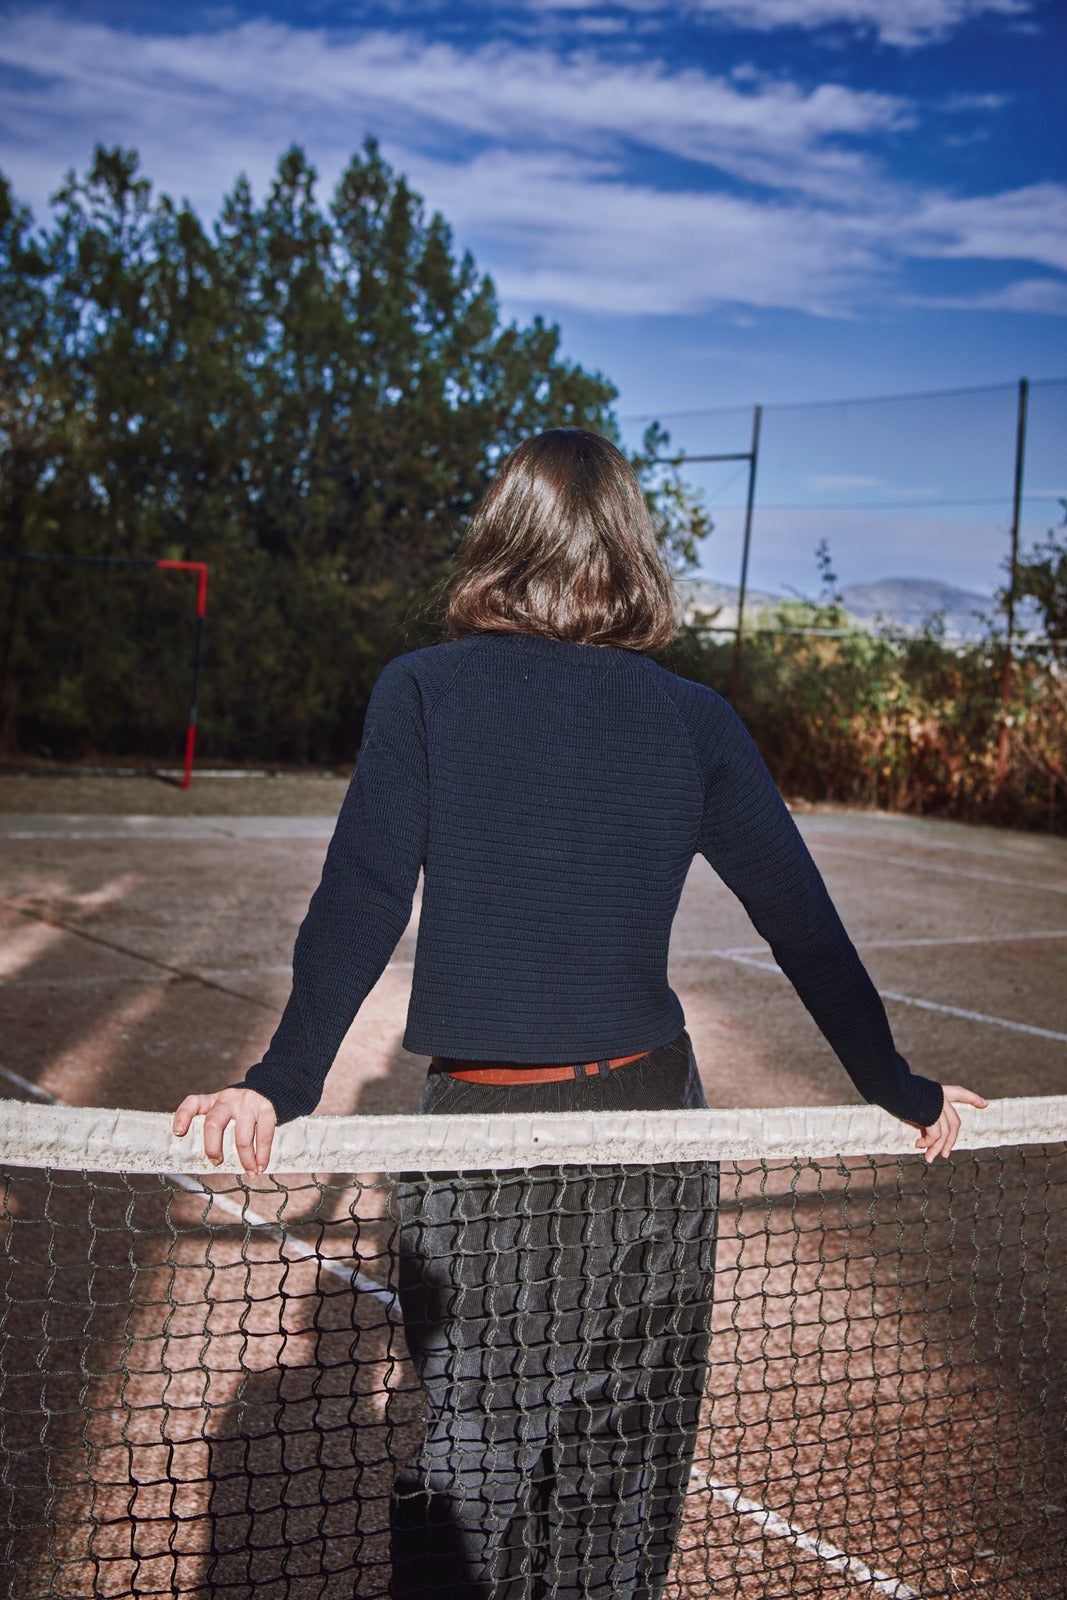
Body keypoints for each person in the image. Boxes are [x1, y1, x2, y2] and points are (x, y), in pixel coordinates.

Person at [174, 428, 986, 1600]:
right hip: (657, 1131)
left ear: (502, 540)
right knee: (615, 1472)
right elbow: (802, 924)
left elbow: (359, 895)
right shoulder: (690, 714)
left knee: (479, 1473)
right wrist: (892, 1086)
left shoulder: (423, 687)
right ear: (629, 556)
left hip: (492, 1139)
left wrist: (281, 1077)